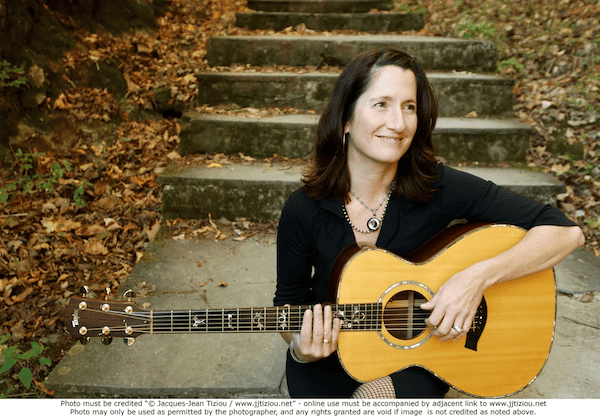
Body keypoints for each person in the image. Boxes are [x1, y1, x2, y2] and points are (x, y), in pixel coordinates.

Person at [274, 48, 585, 398]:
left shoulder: (437, 186)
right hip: (332, 355)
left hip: (422, 355)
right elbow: (289, 301)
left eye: (409, 107)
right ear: (345, 118)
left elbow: (566, 232)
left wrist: (475, 279)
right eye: (381, 105)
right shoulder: (304, 209)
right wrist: (301, 343)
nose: (398, 123)